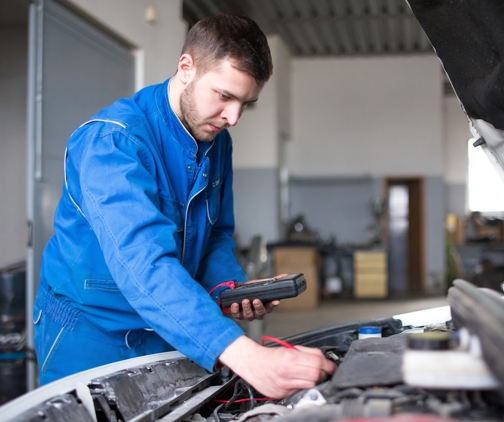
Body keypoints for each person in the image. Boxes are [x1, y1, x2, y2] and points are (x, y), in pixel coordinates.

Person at [33, 14, 336, 398]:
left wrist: (228, 289)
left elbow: (216, 235)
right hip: (90, 333)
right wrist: (245, 354)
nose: (233, 118)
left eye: (247, 103)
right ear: (186, 67)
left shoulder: (216, 140)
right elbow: (143, 263)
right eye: (224, 96)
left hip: (169, 325)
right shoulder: (112, 143)